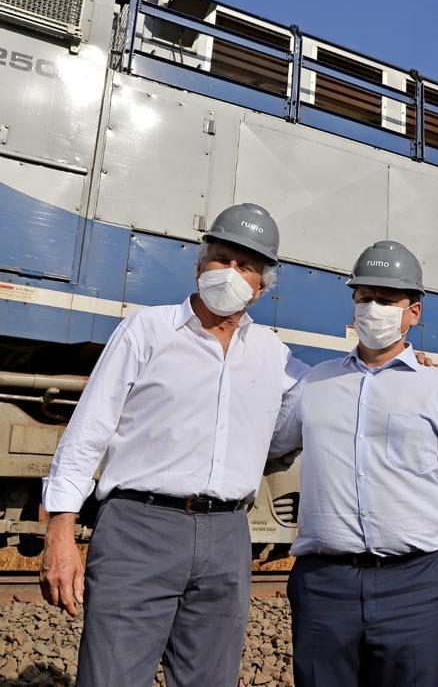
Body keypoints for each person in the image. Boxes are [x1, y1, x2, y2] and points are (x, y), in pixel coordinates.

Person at [38, 203, 305, 687]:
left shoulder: (274, 356)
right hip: (138, 528)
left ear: (261, 286)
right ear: (200, 264)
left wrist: (414, 368)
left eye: (245, 266)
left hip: (227, 536)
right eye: (222, 258)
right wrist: (60, 529)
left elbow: (336, 397)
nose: (231, 273)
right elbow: (88, 430)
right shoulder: (147, 330)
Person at [273, 240, 438, 686]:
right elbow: (266, 444)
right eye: (364, 298)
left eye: (386, 299)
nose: (372, 308)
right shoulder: (315, 383)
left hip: (416, 590)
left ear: (413, 312)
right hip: (324, 588)